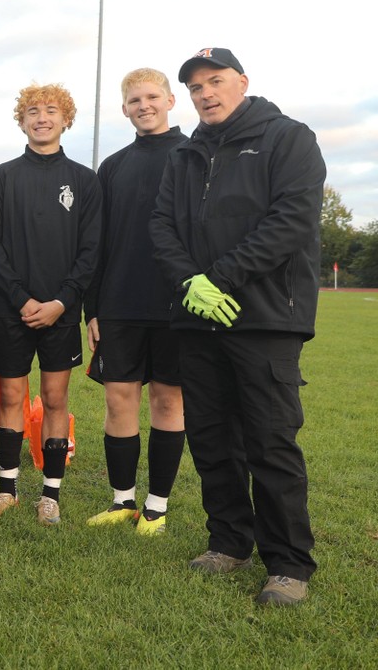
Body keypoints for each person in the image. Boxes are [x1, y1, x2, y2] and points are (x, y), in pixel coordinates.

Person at [152, 48, 324, 606]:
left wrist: (219, 279)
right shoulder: (184, 153)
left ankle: (289, 565)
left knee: (270, 443)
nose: (206, 93)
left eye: (216, 81)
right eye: (196, 86)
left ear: (242, 82)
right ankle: (228, 542)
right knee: (211, 439)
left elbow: (291, 220)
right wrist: (190, 284)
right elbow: (161, 226)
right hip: (197, 320)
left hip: (265, 318)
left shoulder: (288, 138)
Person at [0, 82, 101, 526]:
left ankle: (50, 494)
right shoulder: (3, 177)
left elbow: (91, 250)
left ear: (66, 119)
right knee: (10, 394)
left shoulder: (85, 181)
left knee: (54, 397)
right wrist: (21, 299)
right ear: (22, 120)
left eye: (51, 110)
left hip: (60, 315)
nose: (41, 117)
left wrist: (60, 302)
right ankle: (6, 488)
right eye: (32, 110)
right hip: (13, 312)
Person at [83, 69, 188, 535]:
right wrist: (93, 309)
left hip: (176, 304)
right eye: (134, 100)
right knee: (119, 399)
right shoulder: (113, 166)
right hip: (120, 302)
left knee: (168, 402)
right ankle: (122, 501)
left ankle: (157, 507)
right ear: (123, 108)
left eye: (151, 97)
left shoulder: (194, 156)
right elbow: (98, 243)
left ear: (169, 100)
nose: (143, 105)